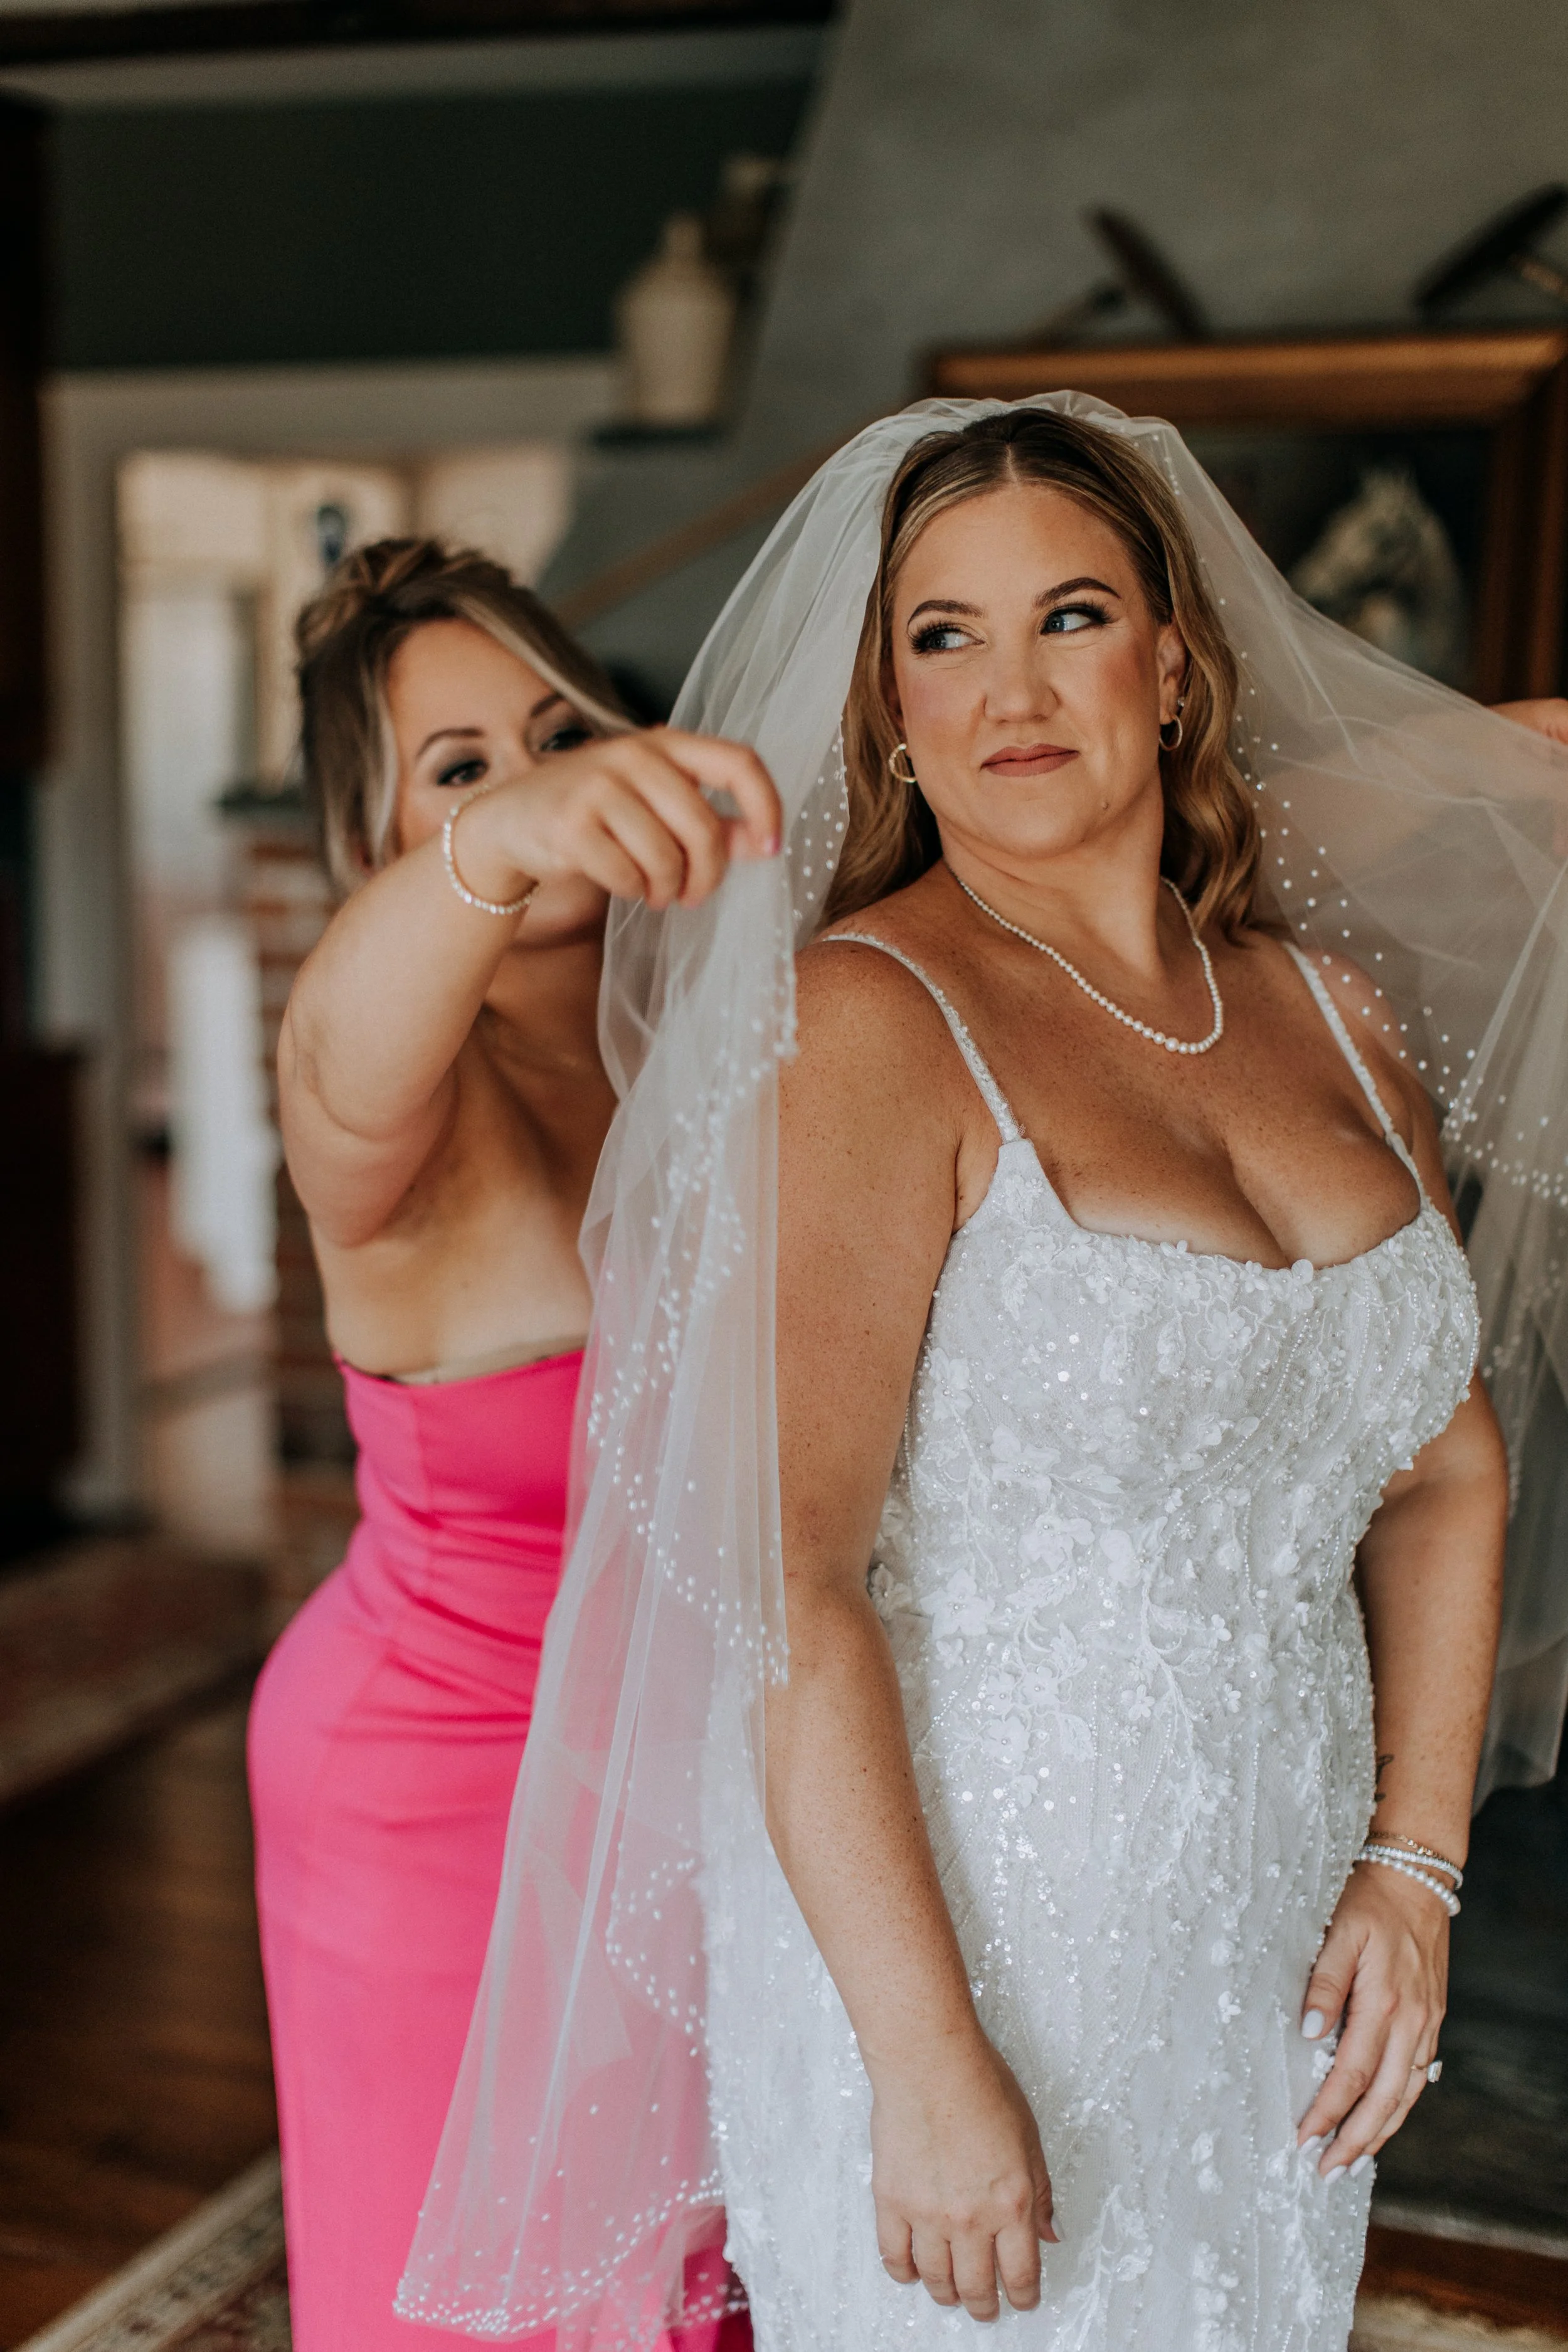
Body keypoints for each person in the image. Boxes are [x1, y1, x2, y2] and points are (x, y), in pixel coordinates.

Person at [398, 401, 1568, 2352]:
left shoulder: (1335, 1016)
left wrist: (1414, 1863)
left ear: (1170, 667)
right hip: (965, 1946)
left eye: (1068, 616)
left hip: (1279, 1940)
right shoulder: (866, 1025)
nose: (1009, 689)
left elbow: (1438, 1467)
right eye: (943, 635)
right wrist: (925, 2062)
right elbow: (788, 1591)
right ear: (888, 706)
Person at [246, 538, 777, 2352]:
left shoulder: (723, 1034)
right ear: (377, 845)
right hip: (434, 1790)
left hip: (700, 1783)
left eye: (559, 733)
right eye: (456, 767)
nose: (533, 786)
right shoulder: (386, 1108)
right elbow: (334, 1038)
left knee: (699, 2280)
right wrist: (505, 837)